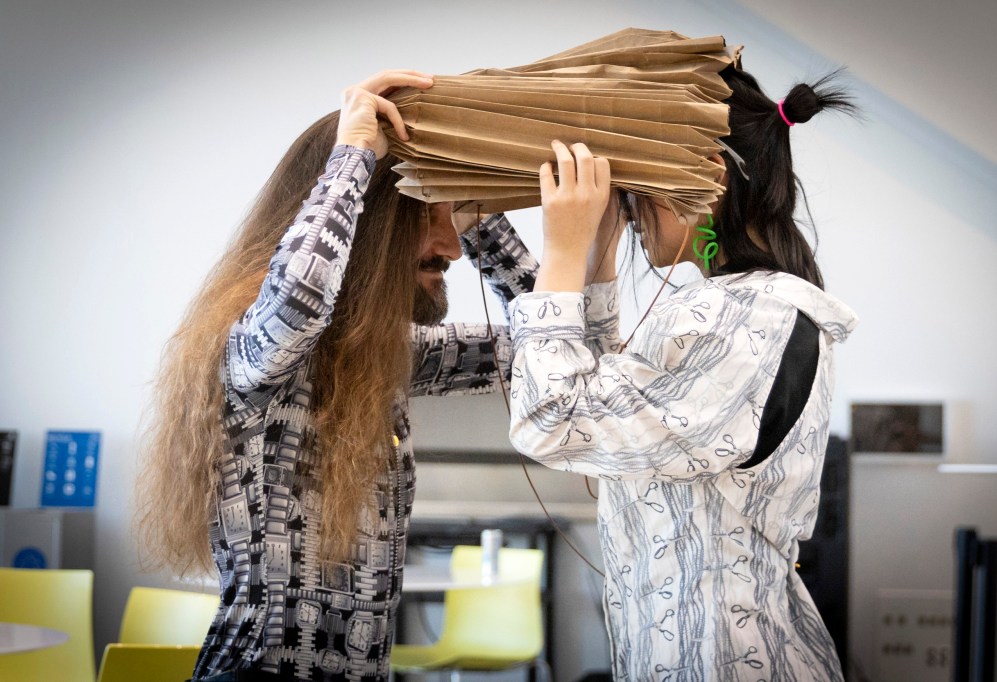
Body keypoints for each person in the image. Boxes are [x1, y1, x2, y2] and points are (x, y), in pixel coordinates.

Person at [136, 70, 537, 681]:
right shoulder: (249, 350)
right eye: (421, 219)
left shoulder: (379, 357)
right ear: (369, 224)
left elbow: (552, 344)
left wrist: (480, 215)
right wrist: (354, 154)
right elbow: (298, 303)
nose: (450, 249)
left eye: (448, 220)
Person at [507, 66, 858, 680]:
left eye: (643, 187)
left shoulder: (746, 314)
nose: (635, 209)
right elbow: (606, 405)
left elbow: (553, 421)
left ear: (708, 181)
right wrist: (594, 256)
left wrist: (561, 251)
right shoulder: (739, 308)